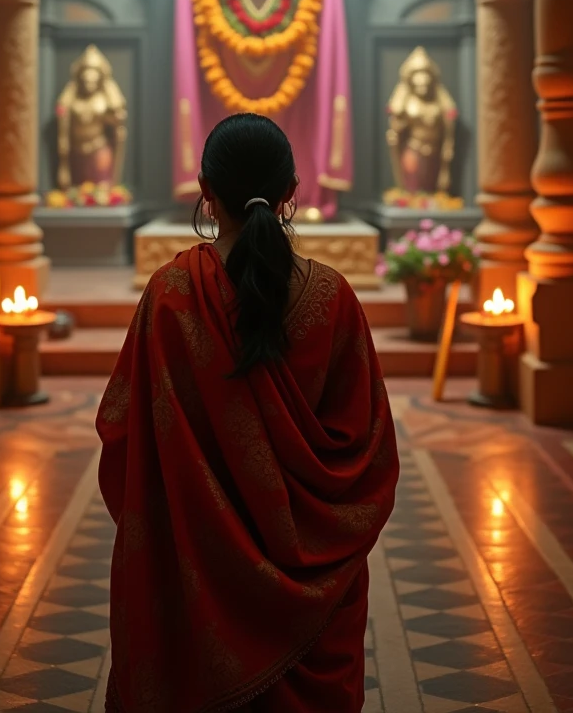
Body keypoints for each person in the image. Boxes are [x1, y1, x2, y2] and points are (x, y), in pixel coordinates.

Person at [97, 113, 399, 712]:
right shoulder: (332, 299)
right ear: (293, 192)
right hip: (314, 601)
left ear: (206, 191)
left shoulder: (170, 295)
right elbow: (369, 454)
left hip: (193, 579)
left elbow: (122, 430)